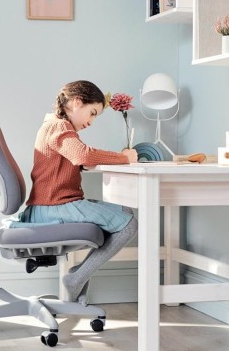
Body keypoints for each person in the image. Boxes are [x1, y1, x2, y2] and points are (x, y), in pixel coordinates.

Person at [15, 79, 138, 302]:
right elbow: (82, 153)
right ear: (76, 102)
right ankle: (76, 278)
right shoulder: (59, 126)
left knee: (125, 214)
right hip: (54, 206)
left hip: (50, 205)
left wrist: (81, 163)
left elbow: (72, 158)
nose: (91, 122)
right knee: (129, 224)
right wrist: (124, 158)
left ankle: (77, 284)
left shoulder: (54, 127)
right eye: (92, 113)